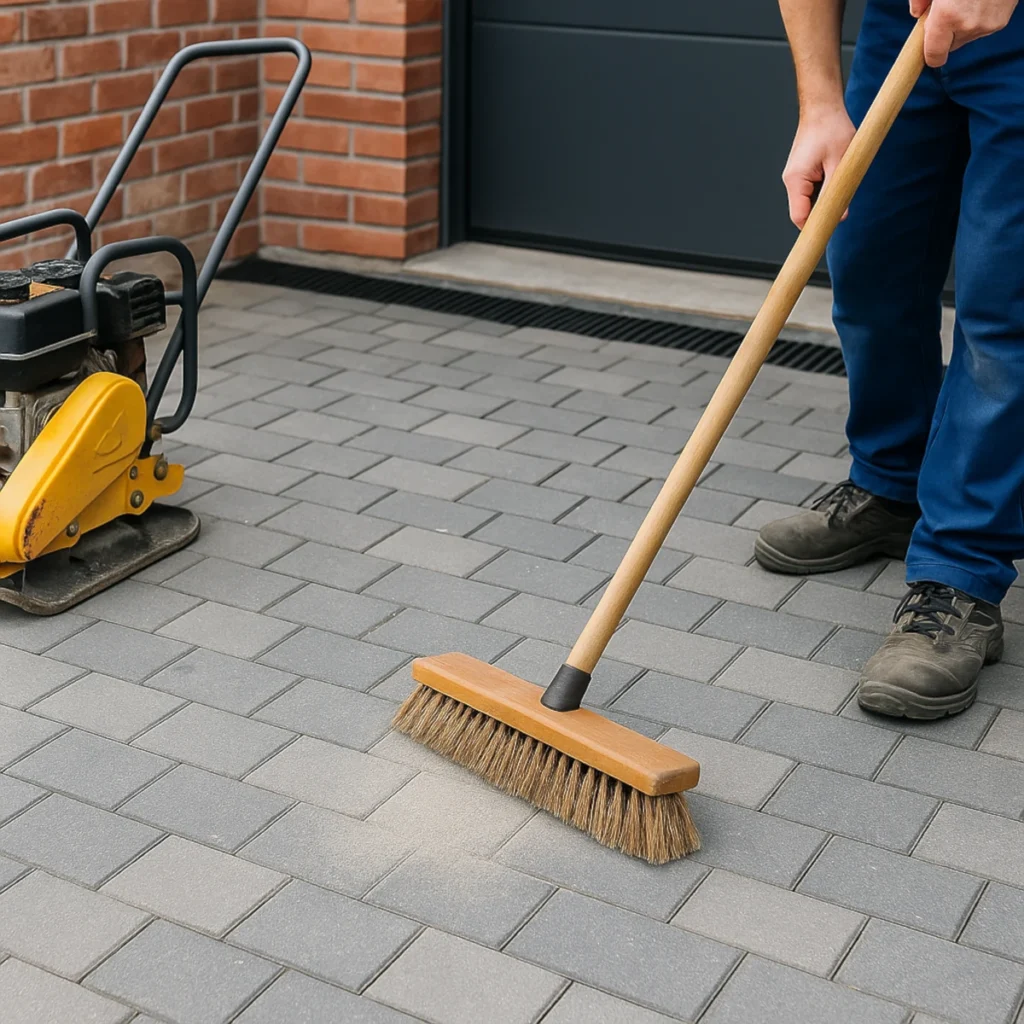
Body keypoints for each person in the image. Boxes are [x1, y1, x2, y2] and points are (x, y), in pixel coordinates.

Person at [757, 0, 1020, 718]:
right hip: (902, 25)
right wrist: (818, 102)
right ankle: (892, 483)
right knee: (869, 260)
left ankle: (960, 570)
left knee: (1003, 313)